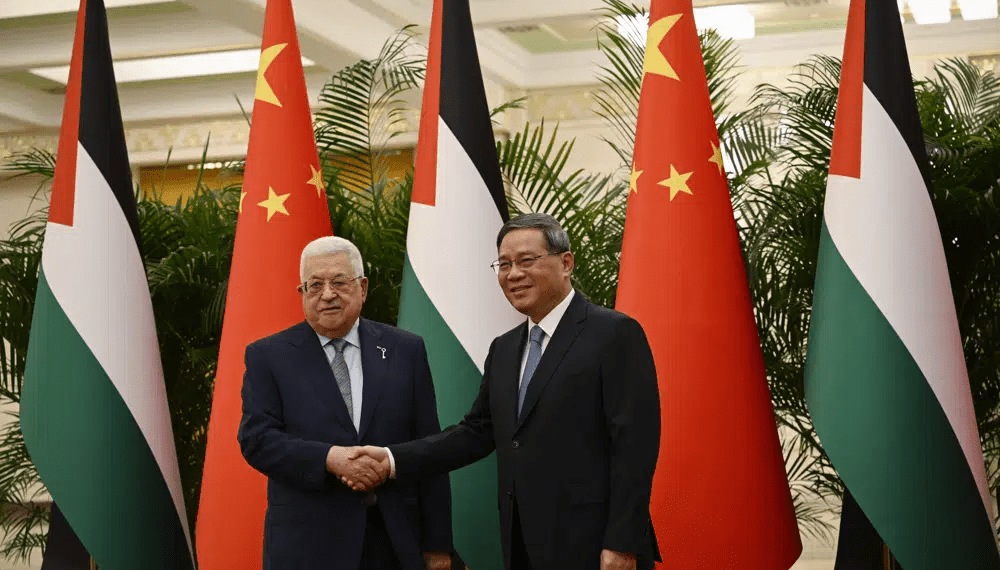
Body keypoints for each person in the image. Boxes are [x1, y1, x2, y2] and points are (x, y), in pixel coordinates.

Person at [346, 214, 661, 570]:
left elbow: (634, 447)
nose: (513, 274)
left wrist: (621, 543)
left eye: (527, 261)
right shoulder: (506, 348)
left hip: (596, 546)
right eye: (504, 264)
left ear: (566, 262)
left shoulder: (614, 334)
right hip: (521, 542)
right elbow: (476, 433)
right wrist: (390, 459)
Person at [237, 236, 453, 570]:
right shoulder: (268, 356)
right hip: (308, 546)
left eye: (339, 282)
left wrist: (438, 545)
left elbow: (430, 448)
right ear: (302, 293)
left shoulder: (405, 350)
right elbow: (257, 440)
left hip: (394, 542)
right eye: (315, 285)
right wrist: (329, 458)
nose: (327, 294)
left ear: (362, 287)